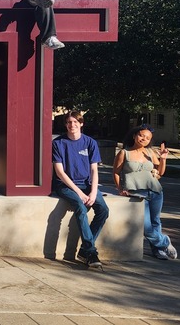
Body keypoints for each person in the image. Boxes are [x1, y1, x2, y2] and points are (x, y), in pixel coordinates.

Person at [52, 111, 109, 268]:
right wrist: (80, 193)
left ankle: (84, 249)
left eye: (75, 122)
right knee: (80, 207)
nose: (72, 125)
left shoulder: (90, 143)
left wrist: (93, 192)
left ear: (81, 123)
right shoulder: (58, 143)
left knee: (103, 209)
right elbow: (60, 173)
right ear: (66, 125)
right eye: (69, 122)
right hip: (66, 185)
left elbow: (94, 171)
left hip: (88, 185)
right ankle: (90, 252)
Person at [113, 126, 179, 260]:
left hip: (155, 191)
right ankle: (165, 242)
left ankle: (158, 250)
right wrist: (120, 188)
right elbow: (116, 172)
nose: (144, 139)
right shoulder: (124, 153)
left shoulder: (150, 152)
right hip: (136, 194)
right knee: (145, 226)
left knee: (155, 222)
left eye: (148, 138)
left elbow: (160, 172)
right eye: (142, 135)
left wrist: (163, 159)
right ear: (134, 136)